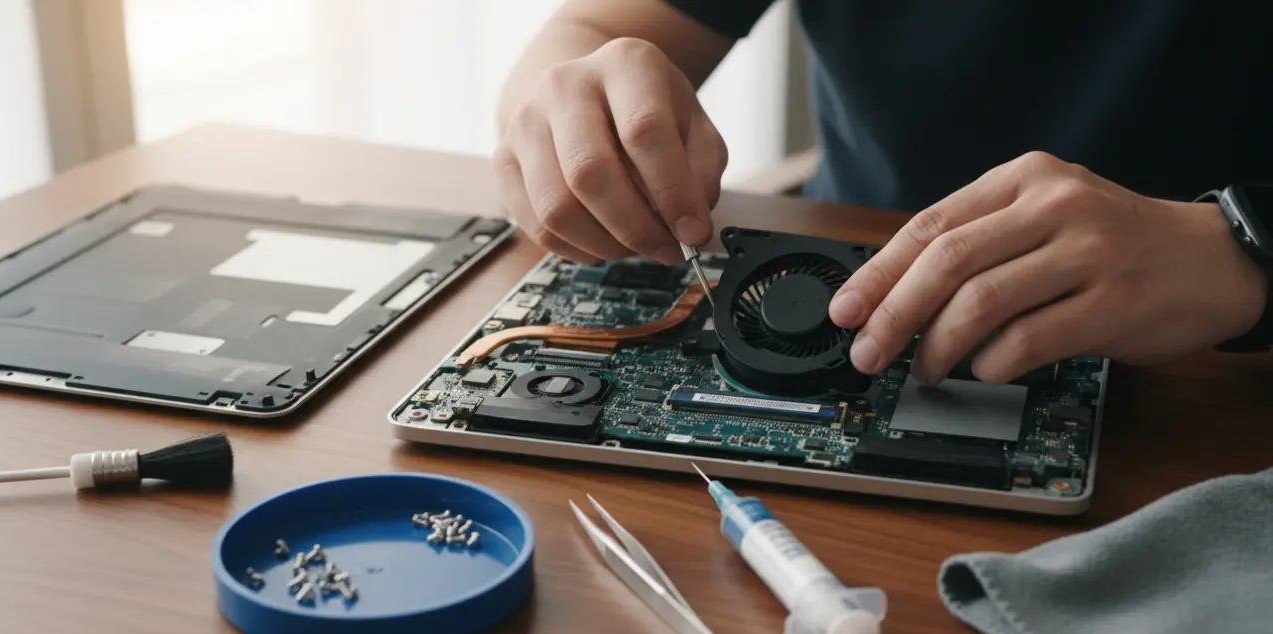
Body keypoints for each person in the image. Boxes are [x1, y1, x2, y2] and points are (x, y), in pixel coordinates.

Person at [490, 0, 1273, 386]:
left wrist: (1243, 249)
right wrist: (569, 103)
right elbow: (592, 31)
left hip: (1213, 375)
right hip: (852, 288)